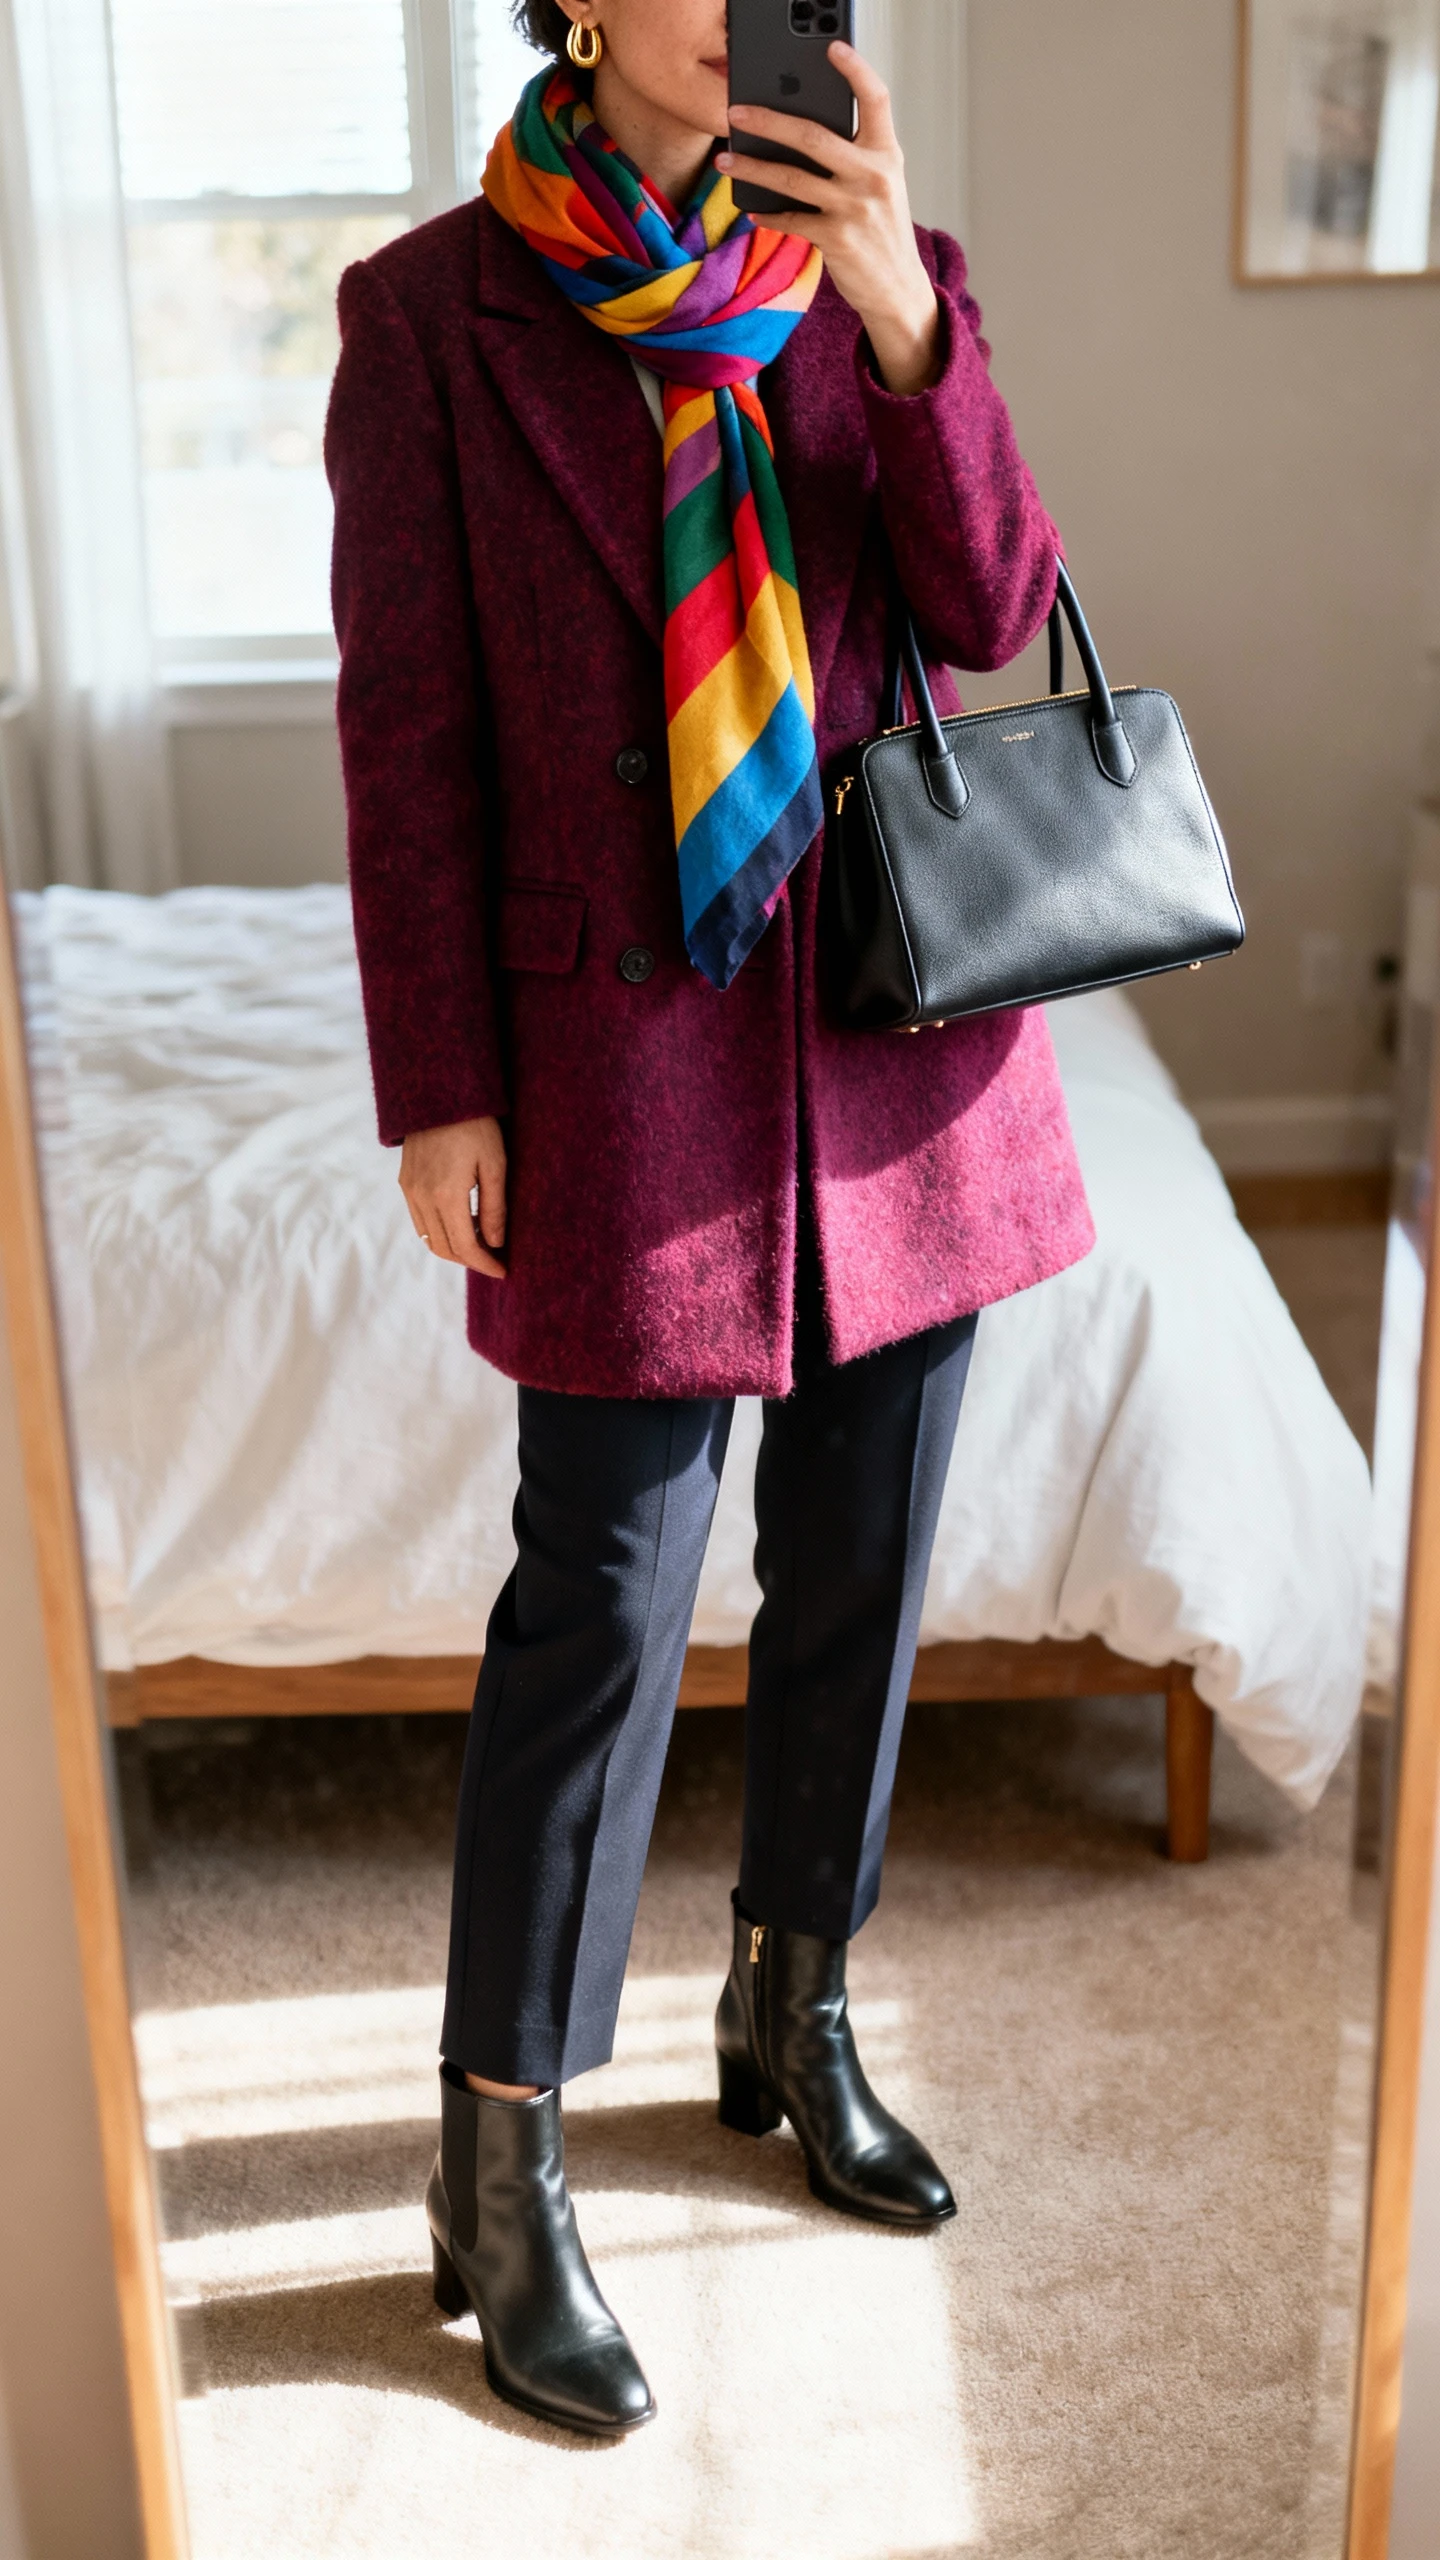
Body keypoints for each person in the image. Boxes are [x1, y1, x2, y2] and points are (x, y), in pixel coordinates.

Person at [325, 0, 1092, 2439]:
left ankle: (799, 2006)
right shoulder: (430, 313)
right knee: (607, 1603)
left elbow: (995, 610)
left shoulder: (887, 273)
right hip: (619, 1065)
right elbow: (405, 727)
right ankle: (503, 2162)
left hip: (894, 1055)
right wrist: (438, 1080)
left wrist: (905, 326)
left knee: (866, 1557)